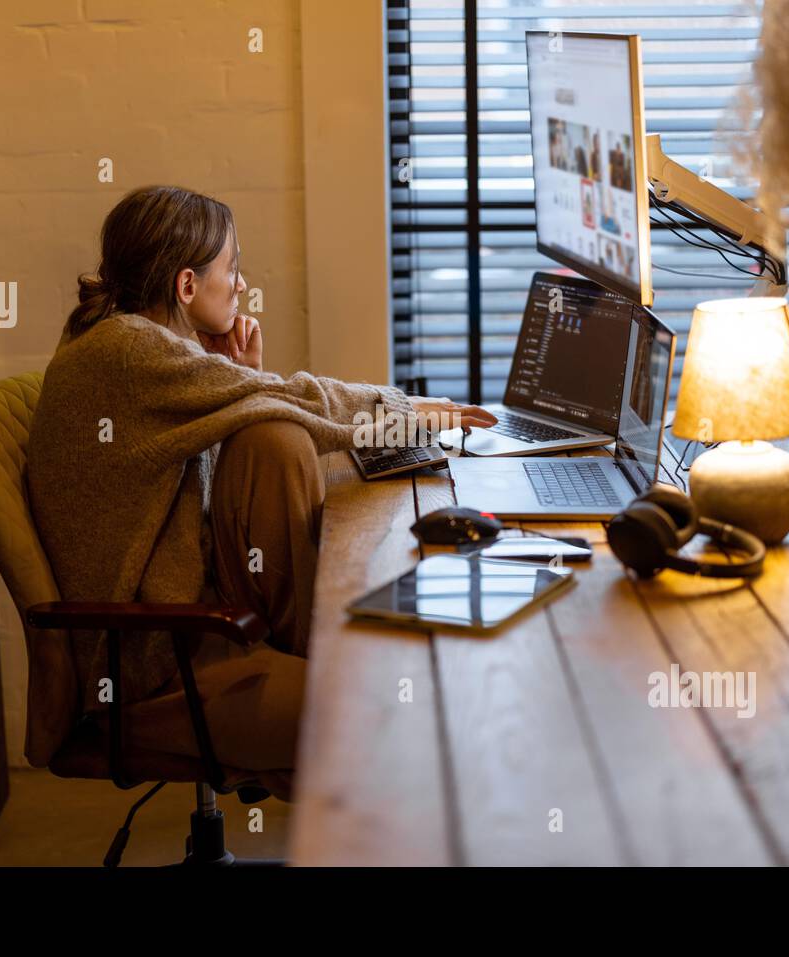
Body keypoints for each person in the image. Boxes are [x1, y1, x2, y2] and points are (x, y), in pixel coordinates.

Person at [27, 185, 495, 798]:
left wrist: (244, 382)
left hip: (192, 626)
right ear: (187, 286)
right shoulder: (127, 350)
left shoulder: (122, 342)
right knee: (400, 720)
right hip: (155, 668)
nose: (242, 285)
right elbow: (295, 398)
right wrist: (408, 411)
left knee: (270, 436)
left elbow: (232, 446)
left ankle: (312, 662)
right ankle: (319, 676)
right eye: (233, 268)